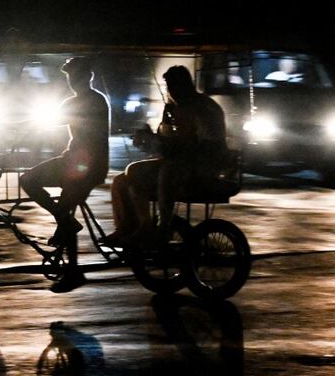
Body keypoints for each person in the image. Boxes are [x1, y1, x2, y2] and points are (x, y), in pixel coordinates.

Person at [107, 65, 228, 246]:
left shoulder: (204, 108)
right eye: (169, 87)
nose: (171, 92)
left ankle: (164, 226)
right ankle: (130, 227)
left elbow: (207, 146)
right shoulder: (171, 109)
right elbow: (165, 141)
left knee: (167, 171)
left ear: (186, 86)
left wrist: (173, 148)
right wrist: (148, 138)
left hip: (203, 166)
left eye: (174, 87)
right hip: (175, 162)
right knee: (124, 178)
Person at [19, 56, 110, 293]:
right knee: (28, 180)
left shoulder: (94, 101)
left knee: (65, 212)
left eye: (74, 76)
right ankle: (66, 222)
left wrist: (23, 126)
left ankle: (73, 271)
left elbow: (53, 120)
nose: (71, 81)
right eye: (70, 77)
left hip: (88, 167)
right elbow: (48, 121)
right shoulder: (77, 101)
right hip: (73, 162)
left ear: (85, 77)